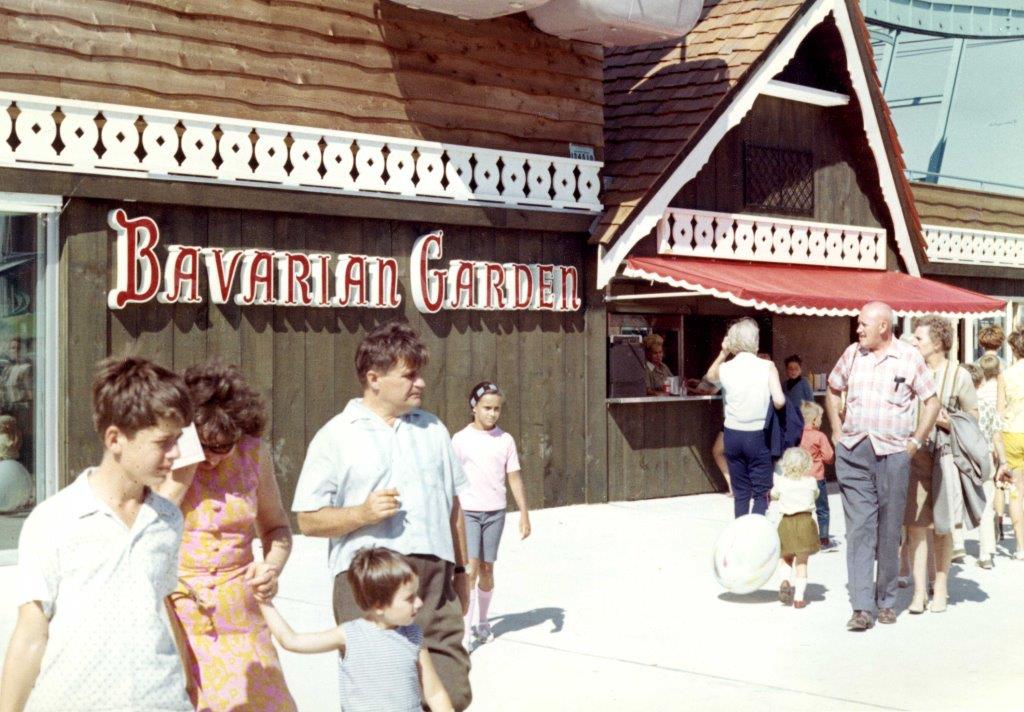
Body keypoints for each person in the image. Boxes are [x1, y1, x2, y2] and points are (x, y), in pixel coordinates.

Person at [291, 320, 473, 711]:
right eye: (409, 375)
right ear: (374, 378)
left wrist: (462, 571)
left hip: (434, 577)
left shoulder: (434, 429)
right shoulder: (337, 434)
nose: (420, 383)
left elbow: (454, 506)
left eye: (420, 374)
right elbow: (307, 520)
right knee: (380, 696)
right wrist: (360, 513)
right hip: (369, 581)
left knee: (451, 692)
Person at [0, 357, 193, 712]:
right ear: (115, 439)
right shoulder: (54, 520)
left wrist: (189, 689)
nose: (176, 454)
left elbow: (164, 610)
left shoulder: (167, 520)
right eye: (163, 442)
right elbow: (31, 633)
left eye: (178, 440)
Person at [157, 361, 296, 711]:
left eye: (224, 447)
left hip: (242, 614)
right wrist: (183, 471)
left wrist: (272, 567)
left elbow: (278, 528)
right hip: (181, 613)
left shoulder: (254, 452)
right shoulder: (167, 460)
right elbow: (148, 528)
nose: (214, 459)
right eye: (205, 447)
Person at [825, 302, 939, 631]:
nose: (858, 330)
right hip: (855, 452)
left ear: (884, 327)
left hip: (893, 454)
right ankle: (862, 607)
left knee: (889, 531)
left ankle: (886, 599)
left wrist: (915, 442)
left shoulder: (909, 358)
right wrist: (836, 430)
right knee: (859, 529)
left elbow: (931, 402)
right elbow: (833, 390)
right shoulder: (852, 355)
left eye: (863, 324)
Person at [259, 547, 454, 712]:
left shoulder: (414, 637)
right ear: (379, 605)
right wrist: (264, 602)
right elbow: (292, 641)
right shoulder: (350, 635)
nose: (419, 603)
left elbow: (434, 692)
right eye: (409, 598)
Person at [904, 316, 978, 613]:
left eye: (918, 338)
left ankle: (941, 587)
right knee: (915, 526)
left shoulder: (959, 375)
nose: (913, 342)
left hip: (945, 458)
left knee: (942, 526)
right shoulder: (910, 370)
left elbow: (973, 415)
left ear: (937, 343)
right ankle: (919, 592)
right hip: (915, 456)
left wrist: (952, 422)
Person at [451, 382, 530, 651]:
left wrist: (524, 513)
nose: (492, 414)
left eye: (497, 409)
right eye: (487, 408)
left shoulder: (505, 440)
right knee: (470, 571)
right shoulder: (460, 439)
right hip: (468, 513)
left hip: (495, 512)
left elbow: (514, 477)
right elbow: (450, 480)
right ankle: (464, 634)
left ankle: (483, 621)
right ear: (474, 407)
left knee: (486, 568)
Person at [705, 318, 786, 518]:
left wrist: (723, 353)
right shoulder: (767, 366)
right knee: (760, 492)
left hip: (732, 434)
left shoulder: (726, 368)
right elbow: (779, 401)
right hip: (758, 434)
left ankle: (740, 536)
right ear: (755, 340)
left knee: (741, 493)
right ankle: (756, 536)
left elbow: (710, 377)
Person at [772, 448, 821, 609]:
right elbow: (816, 494)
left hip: (786, 523)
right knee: (802, 561)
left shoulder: (782, 482)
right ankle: (799, 598)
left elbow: (774, 494)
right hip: (805, 522)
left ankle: (785, 581)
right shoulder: (811, 482)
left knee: (785, 557)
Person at [996, 326, 1024, 561]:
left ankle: (1020, 546)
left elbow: (1000, 411)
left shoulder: (1005, 375)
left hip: (1013, 433)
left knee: (1016, 493)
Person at [971, 357, 1000, 569]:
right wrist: (1003, 460)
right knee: (987, 503)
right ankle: (986, 552)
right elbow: (997, 436)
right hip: (986, 456)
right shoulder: (988, 406)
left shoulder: (961, 408)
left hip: (965, 457)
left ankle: (954, 547)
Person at [799, 401, 835, 549]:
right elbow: (828, 456)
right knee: (822, 509)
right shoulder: (820, 436)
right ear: (814, 420)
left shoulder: (797, 435)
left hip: (801, 479)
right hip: (817, 478)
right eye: (820, 418)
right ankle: (824, 539)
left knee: (803, 509)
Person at [0, 415, 31, 513]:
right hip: (6, 460)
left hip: (10, 460)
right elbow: (12, 444)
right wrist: (18, 436)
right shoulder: (4, 437)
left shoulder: (6, 436)